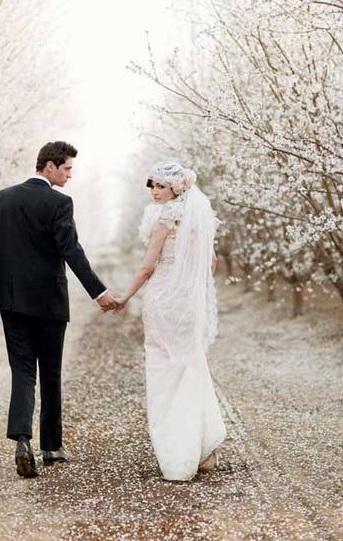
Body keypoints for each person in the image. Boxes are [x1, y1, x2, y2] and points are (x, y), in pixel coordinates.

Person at [0, 141, 118, 478]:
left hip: (11, 301)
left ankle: (22, 441)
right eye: (67, 168)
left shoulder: (2, 198)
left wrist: (11, 283)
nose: (70, 175)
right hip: (50, 303)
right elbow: (72, 251)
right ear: (50, 166)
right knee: (50, 372)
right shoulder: (60, 202)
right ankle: (51, 447)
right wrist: (98, 292)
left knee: (23, 371)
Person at [116, 161, 226, 481]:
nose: (154, 191)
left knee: (164, 372)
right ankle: (204, 445)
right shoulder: (198, 220)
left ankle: (179, 454)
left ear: (176, 188)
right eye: (152, 185)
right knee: (190, 367)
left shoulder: (165, 219)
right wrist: (191, 286)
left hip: (164, 301)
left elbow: (148, 267)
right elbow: (213, 262)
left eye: (161, 186)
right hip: (188, 303)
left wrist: (125, 296)